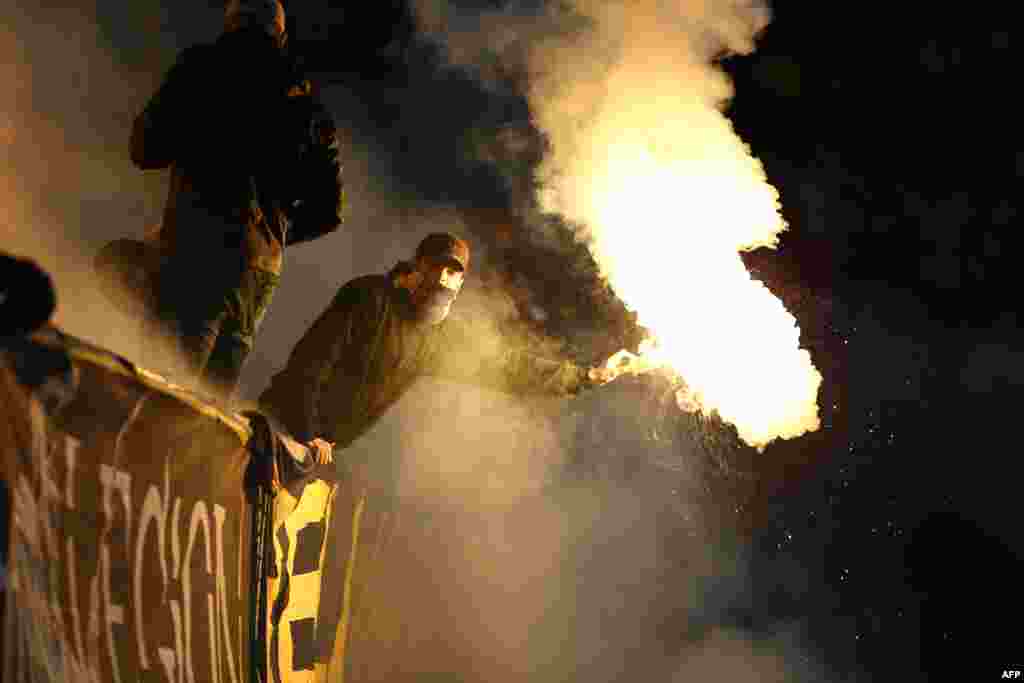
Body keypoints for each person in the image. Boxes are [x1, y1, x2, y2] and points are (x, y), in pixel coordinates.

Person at [257, 232, 620, 679]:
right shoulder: (369, 298)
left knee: (279, 566)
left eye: (456, 273)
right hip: (285, 426)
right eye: (441, 267)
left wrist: (585, 376)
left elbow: (509, 367)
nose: (447, 279)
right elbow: (314, 358)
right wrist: (311, 430)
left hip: (315, 454)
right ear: (417, 267)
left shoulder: (435, 339)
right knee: (252, 532)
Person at [127, 0, 345, 399]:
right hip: (259, 274)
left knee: (165, 392)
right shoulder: (310, 105)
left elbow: (144, 149)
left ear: (231, 24)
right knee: (208, 412)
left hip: (197, 251)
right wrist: (271, 234)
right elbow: (329, 213)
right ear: (280, 36)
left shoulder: (201, 68)